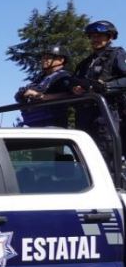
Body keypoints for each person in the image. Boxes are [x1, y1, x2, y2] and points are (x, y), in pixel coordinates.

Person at [73, 20, 126, 165]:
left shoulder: (116, 54)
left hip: (106, 111)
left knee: (104, 151)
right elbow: (76, 82)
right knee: (84, 152)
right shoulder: (85, 63)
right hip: (84, 112)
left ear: (109, 37)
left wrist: (107, 86)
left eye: (100, 36)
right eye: (92, 36)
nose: (95, 39)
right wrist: (76, 89)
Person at [14, 45, 75, 128]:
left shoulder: (63, 77)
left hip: (51, 124)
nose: (44, 60)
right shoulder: (40, 78)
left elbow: (69, 94)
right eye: (43, 58)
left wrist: (40, 96)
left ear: (61, 60)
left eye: (48, 58)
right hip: (32, 123)